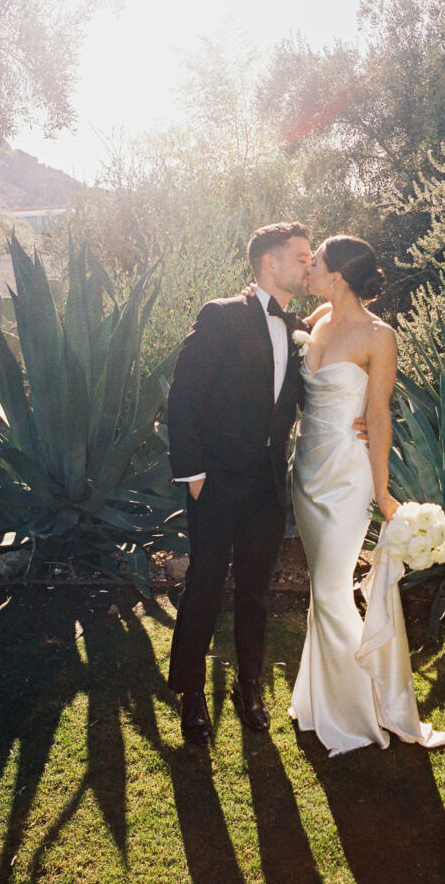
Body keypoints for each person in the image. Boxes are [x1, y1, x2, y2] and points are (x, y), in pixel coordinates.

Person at [166, 222, 366, 746]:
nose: (308, 265)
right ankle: (189, 693)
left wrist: (359, 416)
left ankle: (249, 689)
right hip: (213, 482)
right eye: (301, 257)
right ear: (270, 264)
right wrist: (193, 475)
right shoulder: (221, 315)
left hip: (268, 487)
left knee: (256, 592)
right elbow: (184, 396)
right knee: (206, 584)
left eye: (310, 258)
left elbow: (322, 388)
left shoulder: (301, 324)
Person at [288, 235, 445, 756]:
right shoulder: (315, 320)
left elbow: (377, 413)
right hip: (305, 473)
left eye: (314, 263)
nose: (307, 268)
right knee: (322, 587)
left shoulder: (379, 335)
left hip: (345, 474)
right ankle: (323, 699)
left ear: (337, 275)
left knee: (333, 589)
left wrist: (382, 491)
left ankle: (365, 710)